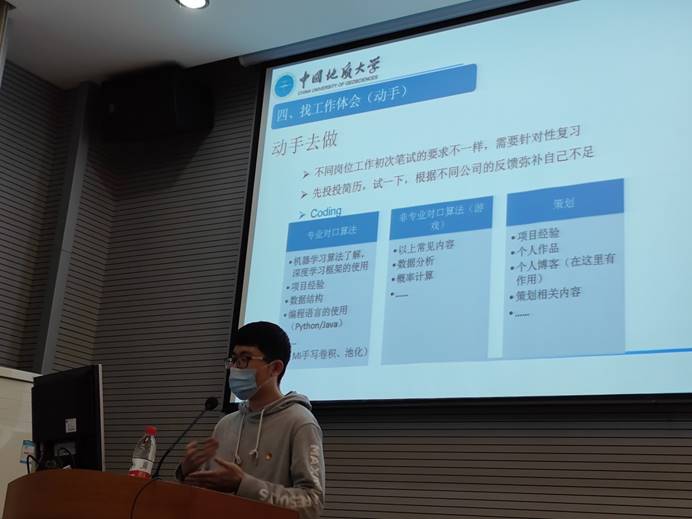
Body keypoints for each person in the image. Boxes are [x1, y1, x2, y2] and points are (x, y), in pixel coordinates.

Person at [176, 321, 325, 519]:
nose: (235, 368)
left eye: (245, 359)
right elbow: (204, 496)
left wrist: (243, 485)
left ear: (275, 368)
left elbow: (312, 503)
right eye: (233, 359)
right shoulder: (226, 424)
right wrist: (187, 471)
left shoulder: (300, 422)